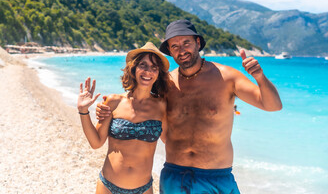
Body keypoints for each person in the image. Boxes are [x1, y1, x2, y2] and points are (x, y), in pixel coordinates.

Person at [97, 19, 282, 194]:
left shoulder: (227, 77)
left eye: (186, 43)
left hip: (216, 177)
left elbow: (273, 105)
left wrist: (259, 77)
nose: (182, 50)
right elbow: (138, 102)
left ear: (198, 42)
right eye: (175, 46)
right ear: (169, 50)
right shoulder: (165, 84)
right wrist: (106, 108)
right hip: (174, 176)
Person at [77, 42, 170, 194]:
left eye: (154, 68)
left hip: (144, 188)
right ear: (133, 68)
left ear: (158, 74)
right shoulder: (114, 101)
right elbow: (96, 143)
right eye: (143, 65)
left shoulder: (162, 106)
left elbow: (171, 142)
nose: (148, 71)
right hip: (108, 186)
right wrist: (83, 111)